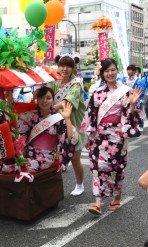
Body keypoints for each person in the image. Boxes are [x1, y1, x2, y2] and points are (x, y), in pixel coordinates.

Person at [80, 58, 143, 215]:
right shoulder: (97, 93)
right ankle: (98, 202)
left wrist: (133, 105)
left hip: (117, 136)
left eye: (113, 70)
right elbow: (91, 116)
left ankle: (116, 196)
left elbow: (129, 115)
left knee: (115, 167)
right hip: (99, 136)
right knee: (97, 167)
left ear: (117, 71)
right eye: (107, 71)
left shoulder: (125, 91)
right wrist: (88, 137)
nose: (110, 73)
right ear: (102, 73)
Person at [47, 54, 86, 196]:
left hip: (73, 124)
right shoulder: (54, 82)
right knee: (51, 156)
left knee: (75, 157)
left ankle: (80, 184)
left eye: (69, 66)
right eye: (62, 65)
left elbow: (66, 103)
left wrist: (49, 108)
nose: (65, 69)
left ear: (73, 68)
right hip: (55, 125)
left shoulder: (76, 84)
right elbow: (45, 94)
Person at [14, 87, 78, 172]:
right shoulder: (32, 115)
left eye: (48, 98)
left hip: (45, 157)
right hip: (29, 152)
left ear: (52, 100)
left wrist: (67, 118)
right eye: (41, 97)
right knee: (13, 166)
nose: (44, 101)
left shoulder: (57, 118)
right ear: (37, 99)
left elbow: (70, 138)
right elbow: (19, 130)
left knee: (26, 168)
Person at [124, 64, 145, 130]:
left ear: (134, 71)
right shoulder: (126, 80)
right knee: (129, 112)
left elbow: (141, 90)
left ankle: (140, 125)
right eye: (128, 70)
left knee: (138, 112)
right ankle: (132, 125)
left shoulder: (138, 80)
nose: (128, 71)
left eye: (130, 70)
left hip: (137, 99)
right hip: (128, 99)